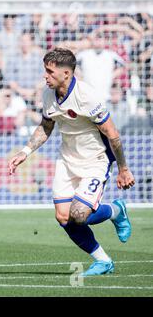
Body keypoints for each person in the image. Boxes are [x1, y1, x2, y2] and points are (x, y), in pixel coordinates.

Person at [8, 47, 135, 276]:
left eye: (49, 71)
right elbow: (46, 126)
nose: (45, 76)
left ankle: (116, 211)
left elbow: (112, 134)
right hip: (67, 160)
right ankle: (103, 261)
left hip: (95, 160)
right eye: (44, 70)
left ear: (66, 73)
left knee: (79, 214)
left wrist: (123, 169)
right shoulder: (48, 94)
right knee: (63, 217)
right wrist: (25, 151)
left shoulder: (87, 96)